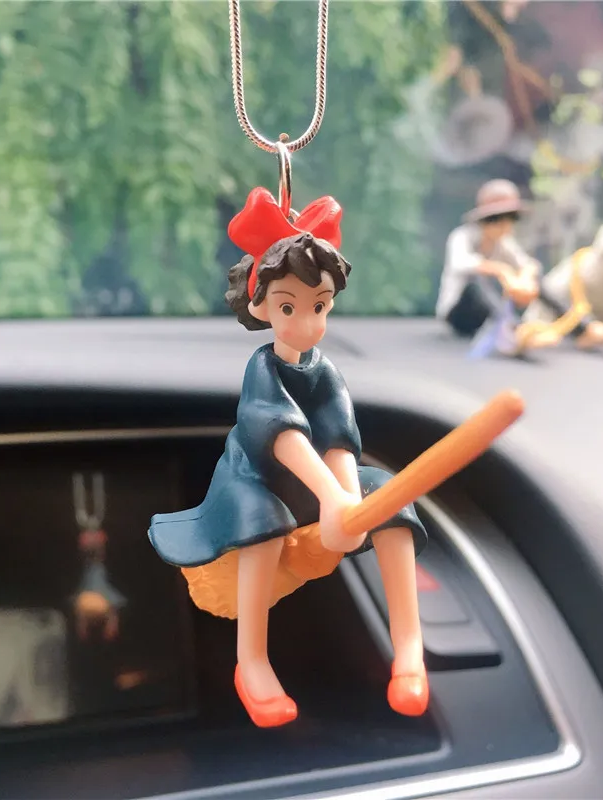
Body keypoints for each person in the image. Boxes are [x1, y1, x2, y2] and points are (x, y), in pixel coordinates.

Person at [149, 188, 429, 728]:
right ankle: (252, 660)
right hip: (255, 479)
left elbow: (338, 436)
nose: (307, 323)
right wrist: (333, 498)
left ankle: (410, 649)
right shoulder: (263, 369)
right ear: (260, 307)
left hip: (315, 483)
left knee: (391, 498)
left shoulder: (325, 371)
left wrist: (349, 498)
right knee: (263, 520)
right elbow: (283, 436)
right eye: (287, 307)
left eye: (319, 306)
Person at [436, 179, 560, 355]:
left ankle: (581, 328)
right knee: (476, 276)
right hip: (459, 313)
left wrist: (525, 278)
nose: (505, 227)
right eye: (498, 220)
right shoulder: (462, 236)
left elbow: (529, 264)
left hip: (487, 315)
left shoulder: (503, 244)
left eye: (511, 219)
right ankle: (514, 331)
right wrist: (502, 270)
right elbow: (461, 263)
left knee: (534, 279)